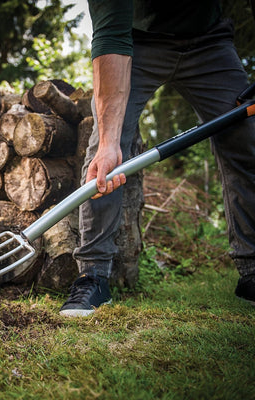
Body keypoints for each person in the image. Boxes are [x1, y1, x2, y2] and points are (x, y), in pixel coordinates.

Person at [59, 0, 255, 317]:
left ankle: (253, 271)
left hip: (210, 40)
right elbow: (111, 36)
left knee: (246, 139)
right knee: (107, 151)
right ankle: (93, 275)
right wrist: (109, 143)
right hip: (138, 42)